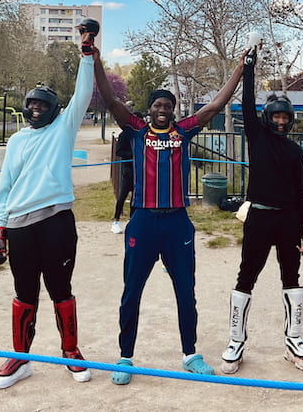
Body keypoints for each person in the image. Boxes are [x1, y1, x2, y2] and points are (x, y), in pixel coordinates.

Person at [94, 54, 246, 385]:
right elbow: (110, 99)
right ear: (149, 110)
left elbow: (215, 106)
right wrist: (94, 60)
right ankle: (125, 358)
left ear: (173, 110)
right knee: (132, 290)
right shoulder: (135, 130)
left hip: (177, 223)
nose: (162, 110)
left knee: (185, 290)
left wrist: (239, 70)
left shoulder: (183, 131)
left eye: (168, 106)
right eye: (157, 105)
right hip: (143, 222)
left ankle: (190, 354)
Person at [0, 19, 99, 390]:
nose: (35, 109)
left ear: (53, 108)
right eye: (31, 104)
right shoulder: (16, 141)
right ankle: (22, 358)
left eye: (42, 104)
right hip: (19, 225)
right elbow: (5, 188)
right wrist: (0, 228)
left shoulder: (63, 129)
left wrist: (86, 53)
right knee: (24, 292)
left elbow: (83, 94)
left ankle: (70, 351)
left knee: (60, 288)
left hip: (56, 222)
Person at [221, 47, 303, 375]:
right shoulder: (256, 136)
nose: (281, 122)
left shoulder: (294, 149)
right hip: (258, 217)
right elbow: (246, 104)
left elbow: (299, 191)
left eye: (285, 117)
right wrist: (248, 68)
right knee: (247, 276)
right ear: (266, 117)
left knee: (292, 277)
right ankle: (235, 340)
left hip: (288, 219)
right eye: (276, 116)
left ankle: (294, 339)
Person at [111, 130, 134, 234]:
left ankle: (132, 221)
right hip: (128, 170)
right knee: (122, 196)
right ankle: (116, 221)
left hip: (139, 170)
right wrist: (132, 155)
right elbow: (119, 151)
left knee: (135, 197)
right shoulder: (124, 134)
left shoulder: (141, 134)